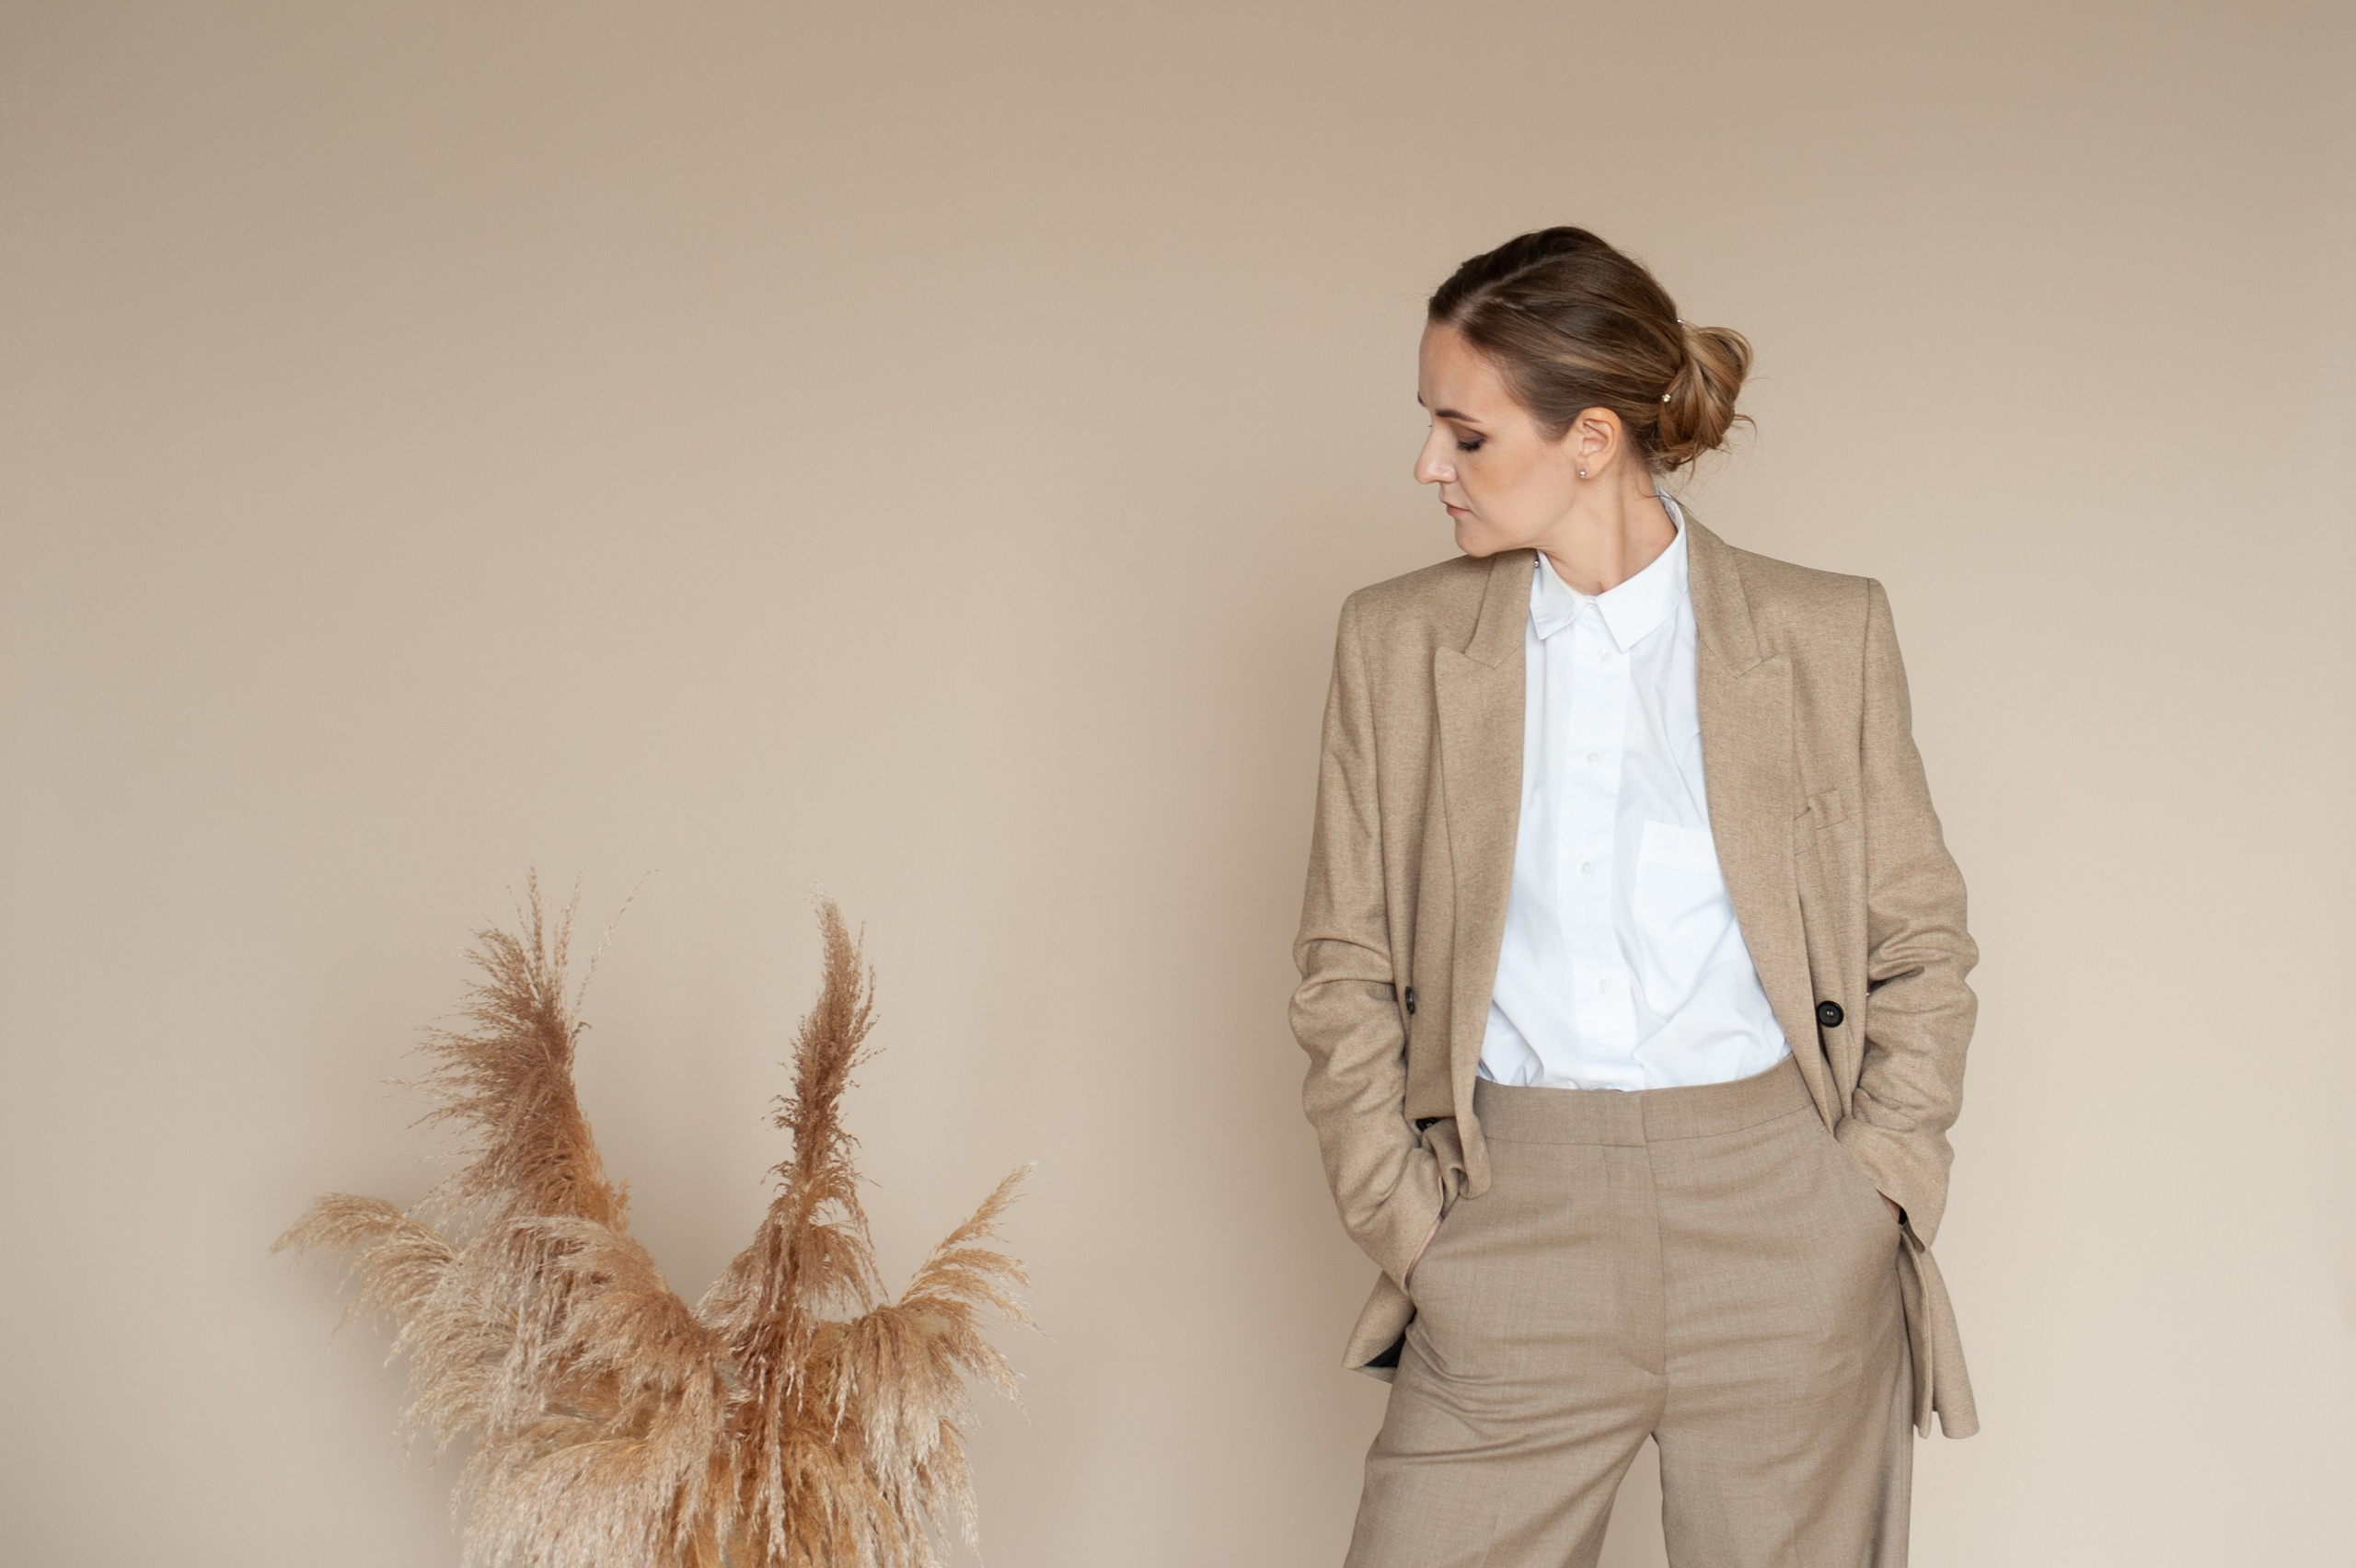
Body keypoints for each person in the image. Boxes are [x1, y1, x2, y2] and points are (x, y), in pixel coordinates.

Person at [1289, 226, 1979, 1568]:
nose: (1429, 465)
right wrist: (1414, 1231)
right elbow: (1342, 964)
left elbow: (1921, 940)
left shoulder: (1823, 633)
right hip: (1509, 1217)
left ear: (1592, 439)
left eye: (1465, 435)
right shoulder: (1399, 644)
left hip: (1785, 1218)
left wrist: (1874, 1191)